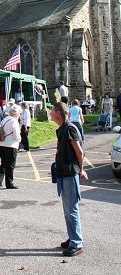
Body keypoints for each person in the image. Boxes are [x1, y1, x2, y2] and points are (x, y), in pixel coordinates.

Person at [51, 102, 88, 257]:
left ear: (59, 113)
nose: (50, 113)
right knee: (67, 210)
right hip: (62, 173)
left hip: (70, 173)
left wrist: (81, 170)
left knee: (71, 209)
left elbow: (79, 152)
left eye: (52, 111)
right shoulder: (61, 129)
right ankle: (72, 237)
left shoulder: (70, 128)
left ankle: (77, 243)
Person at [0, 104, 21, 189]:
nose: (19, 115)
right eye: (19, 113)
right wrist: (19, 140)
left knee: (4, 162)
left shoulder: (4, 119)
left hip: (1, 143)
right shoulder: (14, 121)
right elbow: (17, 136)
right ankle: (9, 183)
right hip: (11, 145)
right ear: (15, 113)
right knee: (10, 165)